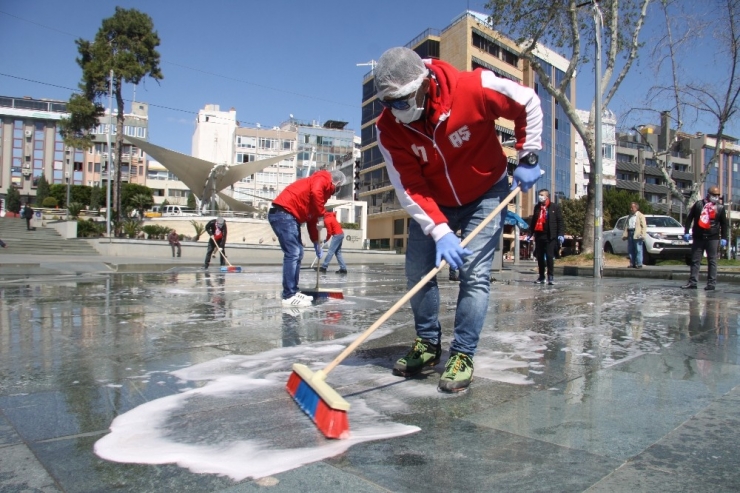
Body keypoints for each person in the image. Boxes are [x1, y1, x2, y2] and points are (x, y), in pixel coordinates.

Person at [375, 46, 543, 392]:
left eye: (403, 100)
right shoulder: (389, 128)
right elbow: (408, 185)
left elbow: (527, 102)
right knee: (417, 273)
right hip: (434, 200)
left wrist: (527, 156)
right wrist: (438, 229)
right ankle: (427, 344)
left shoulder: (472, 87)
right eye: (389, 103)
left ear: (424, 84)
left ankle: (463, 353)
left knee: (476, 275)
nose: (397, 110)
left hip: (486, 191)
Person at [269, 169, 347, 307]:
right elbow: (316, 194)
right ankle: (288, 295)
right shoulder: (322, 179)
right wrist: (322, 214)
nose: (338, 190)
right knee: (293, 253)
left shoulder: (320, 196)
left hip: (289, 217)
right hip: (284, 213)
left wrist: (316, 242)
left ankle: (293, 290)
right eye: (339, 187)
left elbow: (312, 220)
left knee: (298, 252)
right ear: (337, 182)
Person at [682, 186, 728, 290]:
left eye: (718, 195)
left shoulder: (720, 208)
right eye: (714, 195)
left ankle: (711, 283)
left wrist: (724, 237)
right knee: (695, 260)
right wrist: (686, 231)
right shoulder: (699, 204)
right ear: (708, 194)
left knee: (712, 260)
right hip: (699, 236)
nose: (716, 197)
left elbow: (724, 224)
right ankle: (693, 282)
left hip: (713, 237)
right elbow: (690, 218)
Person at [528, 189, 564, 285]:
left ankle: (550, 277)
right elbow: (533, 222)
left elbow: (560, 221)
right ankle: (541, 277)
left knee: (549, 256)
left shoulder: (554, 207)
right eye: (539, 195)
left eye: (542, 195)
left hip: (550, 236)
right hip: (539, 235)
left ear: (547, 197)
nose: (540, 196)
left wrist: (560, 234)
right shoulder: (537, 207)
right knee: (539, 257)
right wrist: (530, 234)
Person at [622, 201, 647, 268]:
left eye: (632, 207)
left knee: (638, 249)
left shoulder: (640, 215)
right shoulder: (629, 216)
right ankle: (632, 263)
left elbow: (644, 226)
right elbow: (627, 226)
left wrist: (643, 235)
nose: (631, 209)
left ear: (636, 208)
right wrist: (625, 235)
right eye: (630, 207)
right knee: (631, 249)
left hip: (637, 233)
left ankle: (639, 263)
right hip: (630, 232)